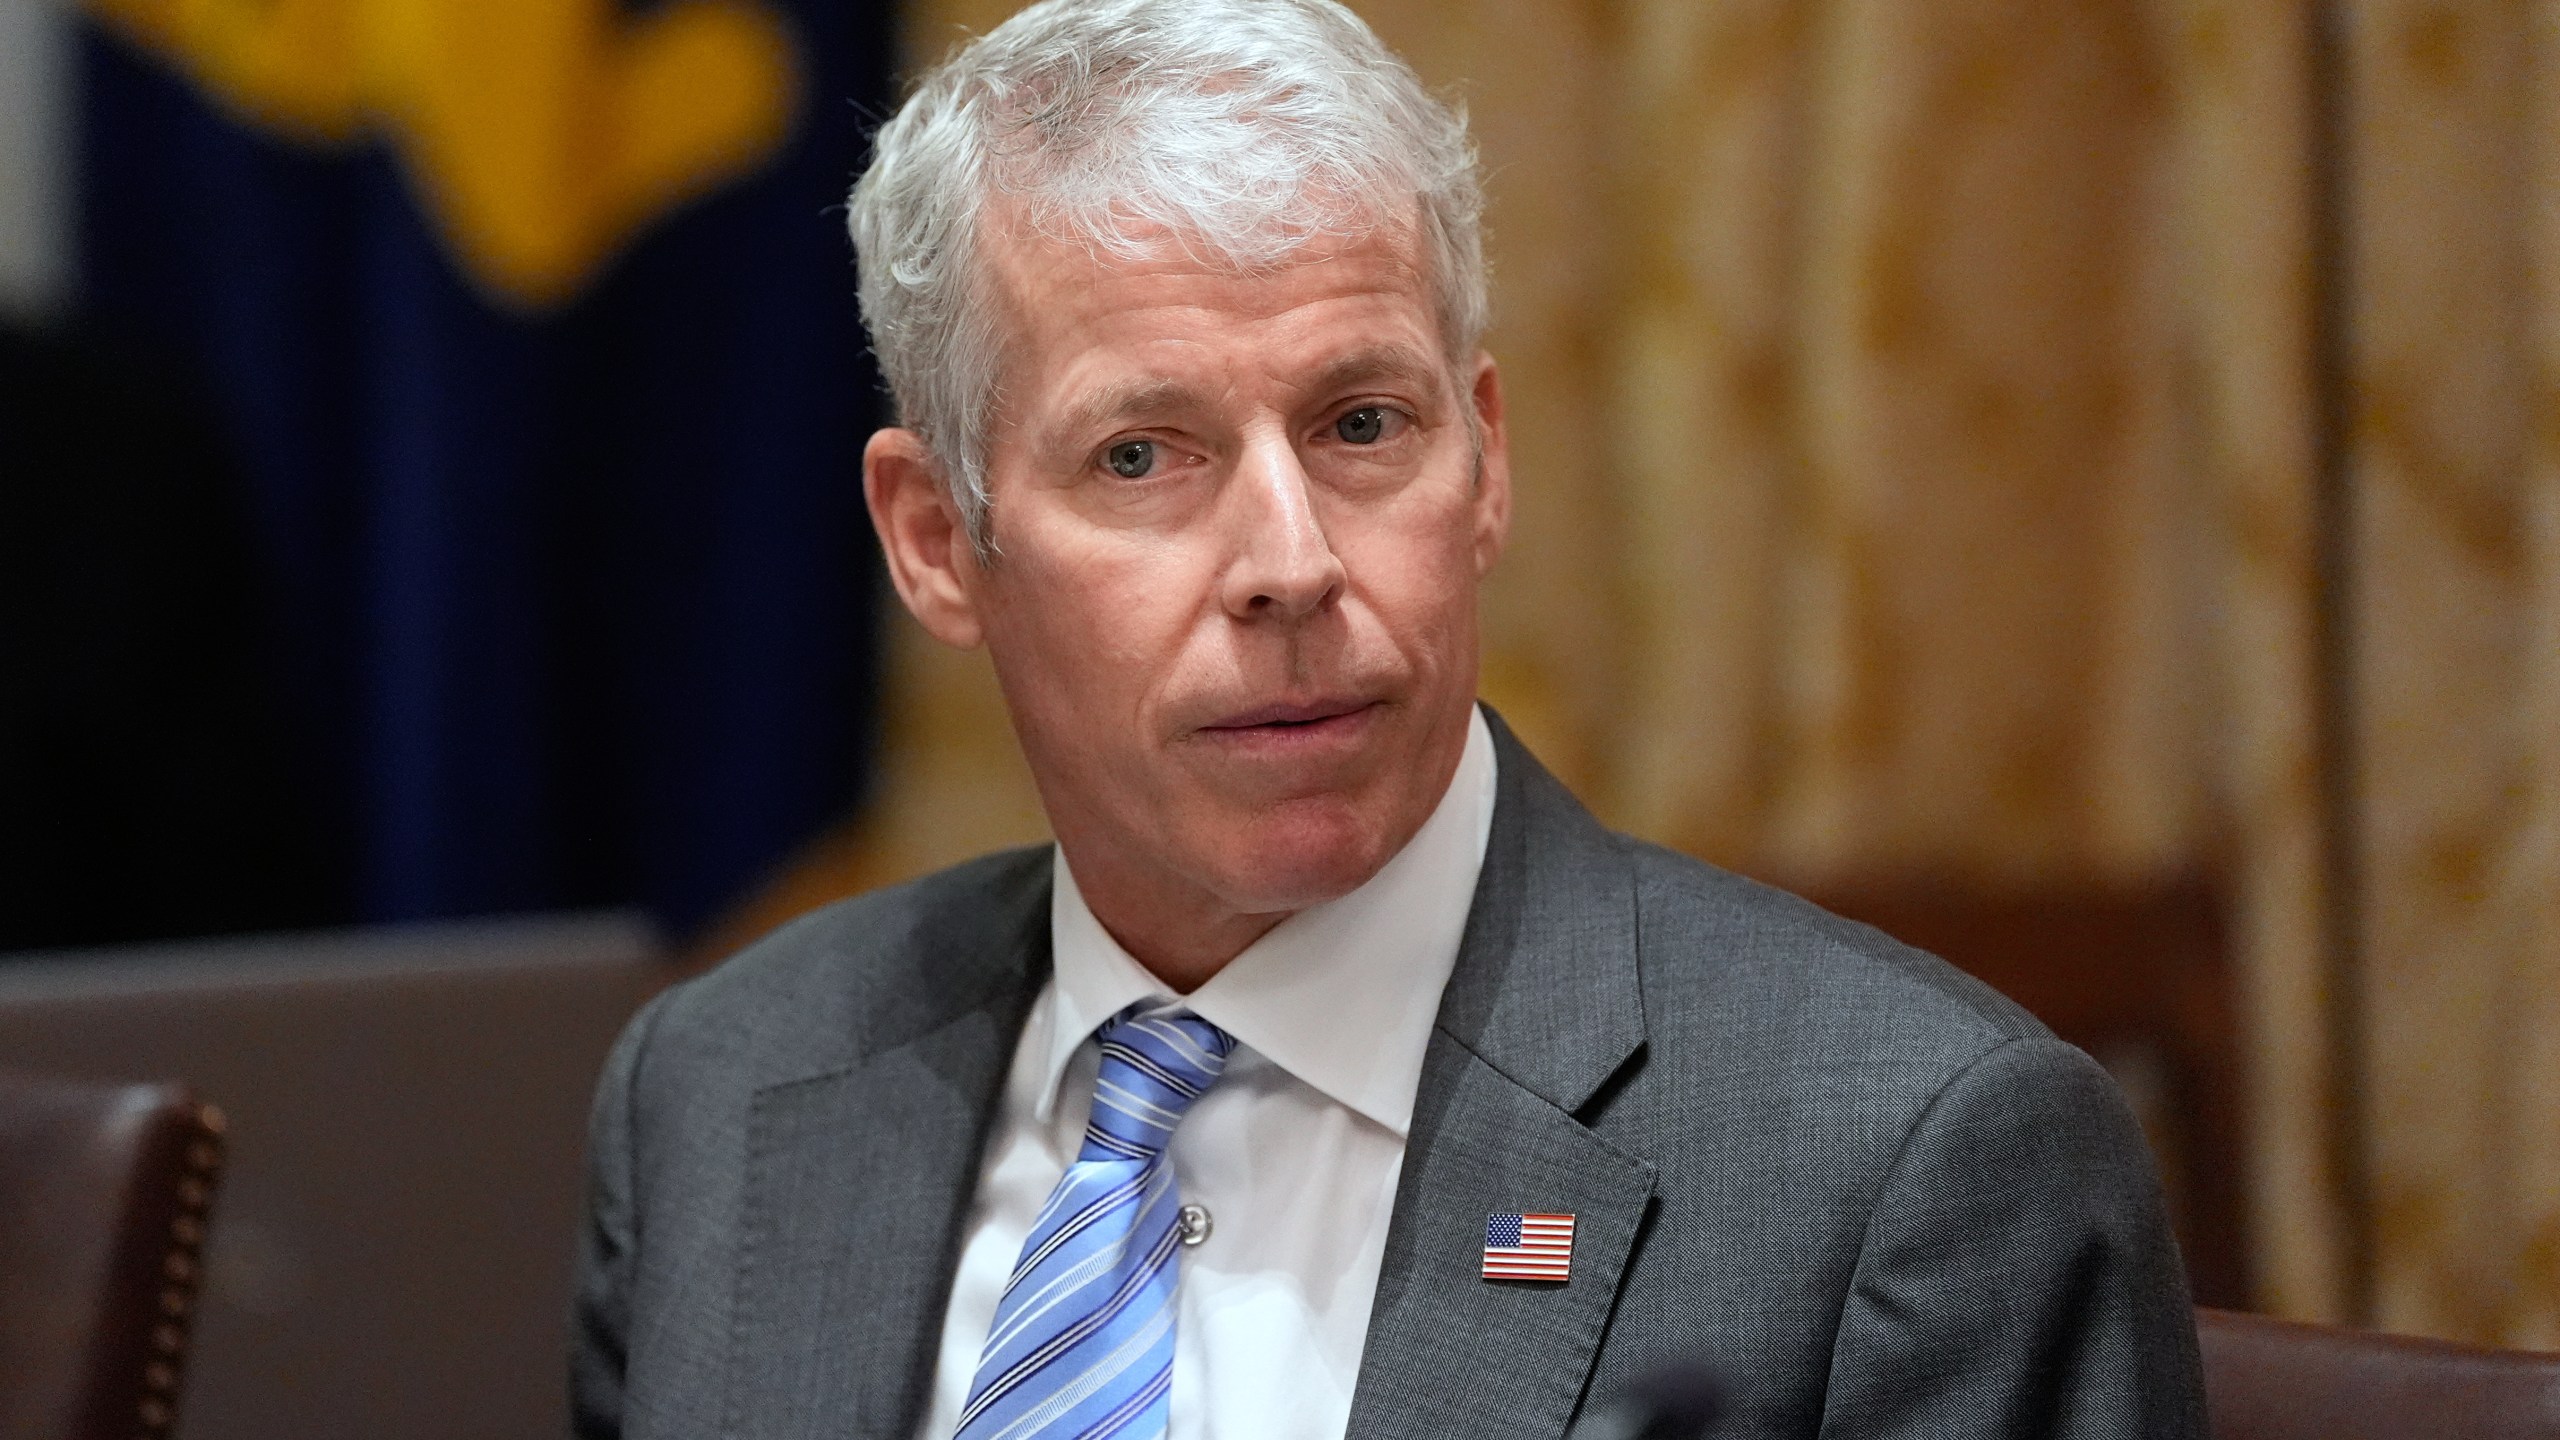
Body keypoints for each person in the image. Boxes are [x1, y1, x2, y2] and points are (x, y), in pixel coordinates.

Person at [568, 1, 2209, 1436]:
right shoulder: (726, 1094)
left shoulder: (1908, 1166)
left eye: (1363, 424)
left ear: (1483, 462)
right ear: (940, 542)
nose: (1291, 564)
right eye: (1143, 453)